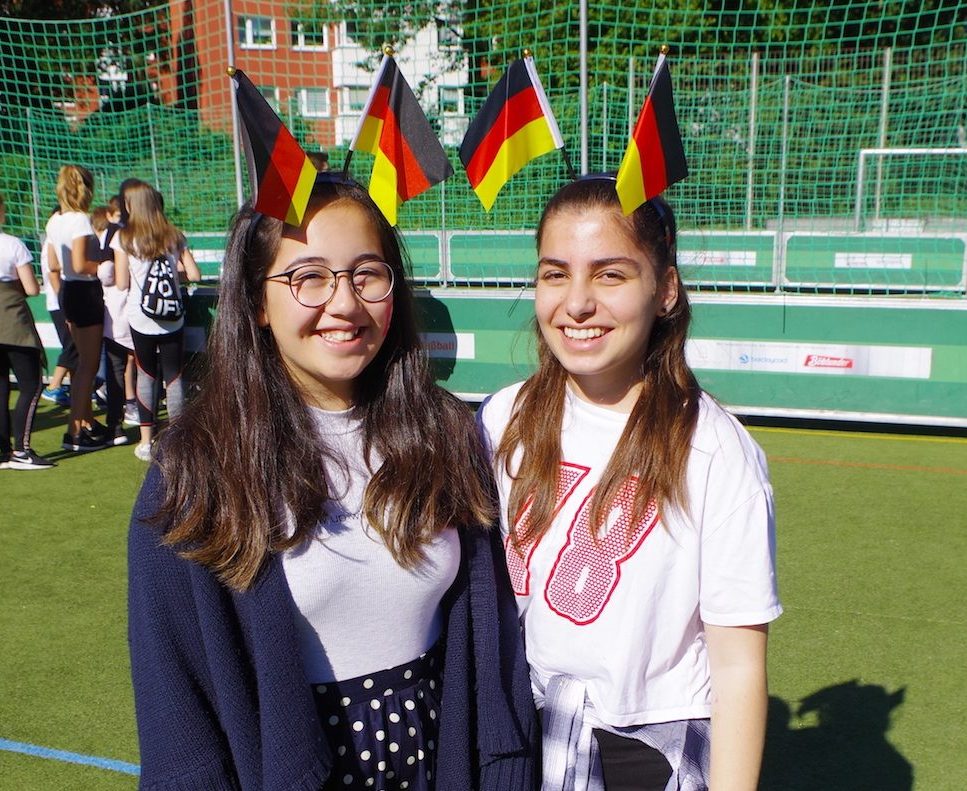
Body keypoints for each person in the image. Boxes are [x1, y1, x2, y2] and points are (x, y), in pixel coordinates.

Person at [127, 175, 538, 790]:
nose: (343, 303)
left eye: (366, 274)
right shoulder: (193, 471)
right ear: (258, 304)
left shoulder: (445, 432)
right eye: (308, 277)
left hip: (437, 760)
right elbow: (175, 710)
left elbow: (489, 642)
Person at [477, 176, 782, 791]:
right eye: (555, 273)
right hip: (519, 731)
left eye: (611, 275)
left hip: (649, 750)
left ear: (665, 289)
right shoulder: (502, 417)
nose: (578, 303)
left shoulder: (716, 451)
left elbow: (739, 666)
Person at [111, 180, 200, 460]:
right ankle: (178, 438)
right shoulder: (175, 235)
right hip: (173, 316)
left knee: (146, 374)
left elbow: (122, 282)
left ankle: (147, 440)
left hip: (141, 317)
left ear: (131, 206)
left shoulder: (124, 238)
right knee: (174, 376)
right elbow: (195, 275)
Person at [45, 164, 108, 452]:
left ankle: (84, 423)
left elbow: (55, 264)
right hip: (84, 291)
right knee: (88, 364)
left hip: (68, 292)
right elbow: (82, 264)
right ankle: (74, 432)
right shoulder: (81, 221)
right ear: (86, 188)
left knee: (82, 362)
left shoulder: (55, 220)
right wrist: (107, 266)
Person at [0, 194, 54, 470]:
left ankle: (2, 452)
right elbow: (32, 288)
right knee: (31, 385)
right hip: (13, 324)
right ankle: (21, 451)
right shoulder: (12, 245)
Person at [91, 202, 133, 446]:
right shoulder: (160, 233)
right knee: (152, 369)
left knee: (116, 369)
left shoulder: (116, 238)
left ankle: (115, 425)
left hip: (121, 316)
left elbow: (114, 277)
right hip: (151, 315)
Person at [39, 207, 78, 409]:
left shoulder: (52, 244)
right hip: (59, 302)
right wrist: (65, 302)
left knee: (72, 346)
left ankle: (71, 387)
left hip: (59, 301)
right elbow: (54, 274)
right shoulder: (52, 245)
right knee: (72, 345)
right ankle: (54, 386)